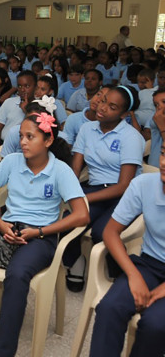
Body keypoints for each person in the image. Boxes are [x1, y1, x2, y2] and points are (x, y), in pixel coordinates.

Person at [0, 112, 88, 357]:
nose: (22, 141)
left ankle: (4, 350)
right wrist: (1, 225)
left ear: (48, 140)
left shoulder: (60, 170)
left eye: (30, 137)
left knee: (17, 274)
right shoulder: (12, 161)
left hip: (40, 237)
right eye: (21, 136)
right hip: (7, 228)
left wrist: (39, 231)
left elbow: (82, 215)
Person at [64, 85, 145, 291]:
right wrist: (72, 192)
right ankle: (76, 262)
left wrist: (85, 199)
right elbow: (76, 168)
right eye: (103, 100)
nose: (102, 107)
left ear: (124, 114)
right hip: (95, 188)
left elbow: (124, 185)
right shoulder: (87, 129)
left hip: (124, 195)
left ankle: (119, 275)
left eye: (112, 107)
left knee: (102, 232)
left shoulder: (131, 136)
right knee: (67, 221)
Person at [89, 147, 165, 357]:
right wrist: (133, 275)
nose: (163, 162)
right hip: (149, 264)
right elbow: (110, 232)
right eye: (164, 153)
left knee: (155, 324)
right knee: (109, 308)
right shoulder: (144, 184)